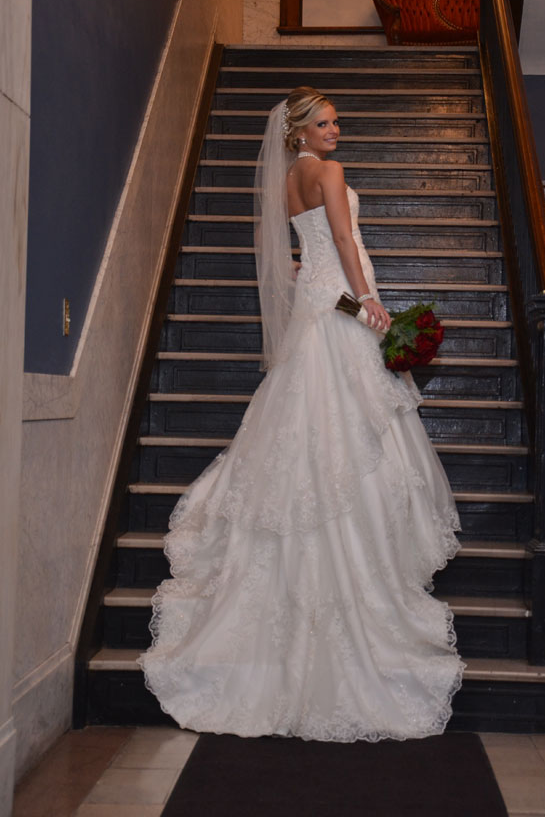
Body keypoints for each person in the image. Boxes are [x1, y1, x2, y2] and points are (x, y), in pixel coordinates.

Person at [139, 86, 464, 741]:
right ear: (299, 131)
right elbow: (343, 239)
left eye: (338, 121)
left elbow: (305, 271)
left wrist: (349, 304)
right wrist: (371, 300)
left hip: (321, 313)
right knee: (355, 445)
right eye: (324, 122)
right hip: (342, 306)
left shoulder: (288, 181)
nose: (335, 129)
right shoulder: (331, 173)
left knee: (312, 445)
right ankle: (361, 589)